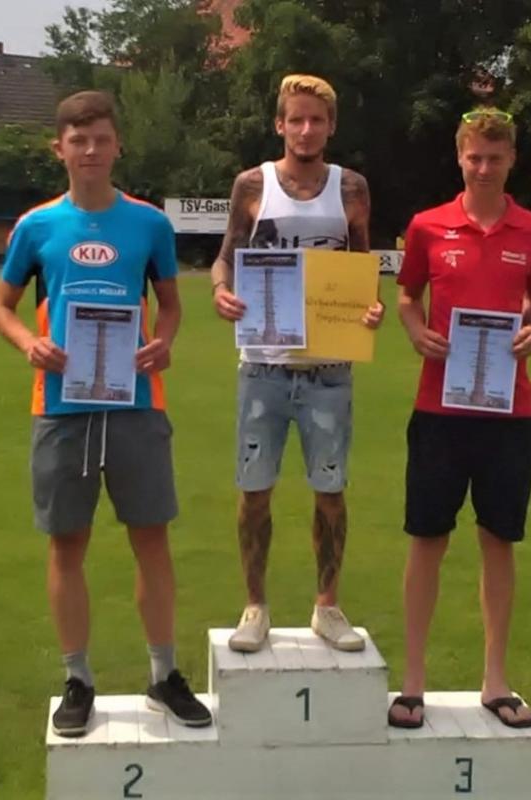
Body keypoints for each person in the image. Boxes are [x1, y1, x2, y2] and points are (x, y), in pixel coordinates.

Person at [0, 91, 211, 736]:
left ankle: (163, 675)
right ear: (59, 148)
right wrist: (28, 343)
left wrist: (164, 341)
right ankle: (78, 681)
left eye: (101, 139)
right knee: (67, 544)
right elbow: (1, 307)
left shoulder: (148, 224)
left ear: (118, 146)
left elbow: (171, 305)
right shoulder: (36, 226)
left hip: (136, 402)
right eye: (78, 140)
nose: (90, 150)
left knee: (151, 540)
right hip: (61, 406)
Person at [389, 108, 531, 729]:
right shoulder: (428, 226)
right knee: (427, 538)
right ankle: (412, 683)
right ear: (459, 156)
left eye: (495, 158)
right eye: (474, 157)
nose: (484, 168)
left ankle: (495, 681)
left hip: (510, 410)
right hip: (439, 408)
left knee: (498, 540)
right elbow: (406, 296)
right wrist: (415, 330)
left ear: (512, 161)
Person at [211, 74, 385, 653]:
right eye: (296, 119)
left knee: (330, 492)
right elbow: (226, 259)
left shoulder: (351, 188)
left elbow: (362, 269)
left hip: (329, 370)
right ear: (279, 124)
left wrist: (371, 308)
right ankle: (254, 606)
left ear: (331, 126)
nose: (305, 129)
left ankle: (327, 607)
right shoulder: (252, 185)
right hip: (263, 365)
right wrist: (220, 291)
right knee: (254, 489)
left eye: (316, 120)